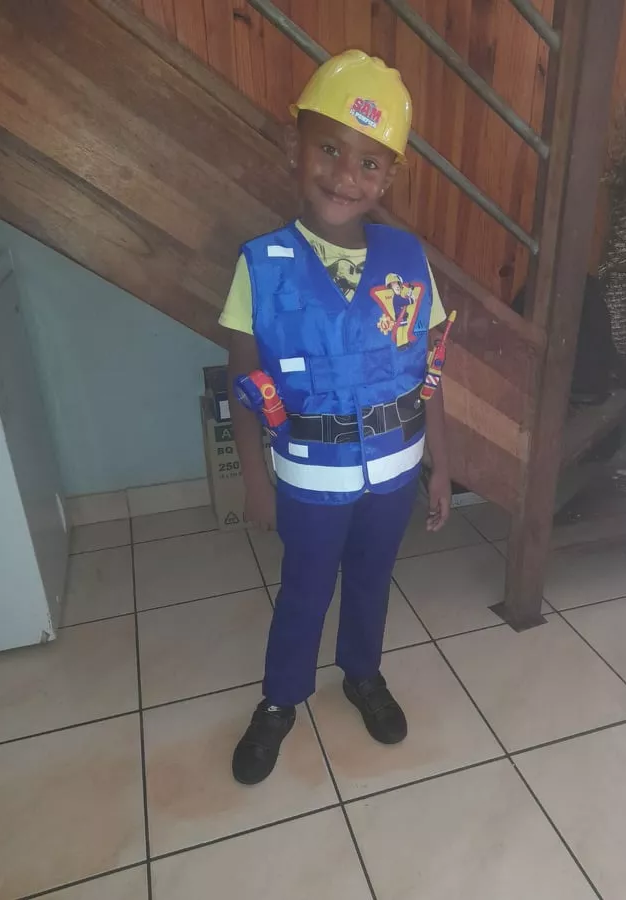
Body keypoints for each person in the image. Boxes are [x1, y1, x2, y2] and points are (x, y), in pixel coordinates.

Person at [220, 49, 451, 786]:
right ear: (296, 147)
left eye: (369, 163)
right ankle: (280, 699)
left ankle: (362, 674)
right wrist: (253, 480)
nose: (346, 175)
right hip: (309, 478)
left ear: (389, 178)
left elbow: (429, 372)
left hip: (395, 470)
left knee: (373, 579)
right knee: (305, 589)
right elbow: (242, 382)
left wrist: (442, 467)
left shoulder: (407, 258)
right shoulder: (262, 263)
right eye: (329, 150)